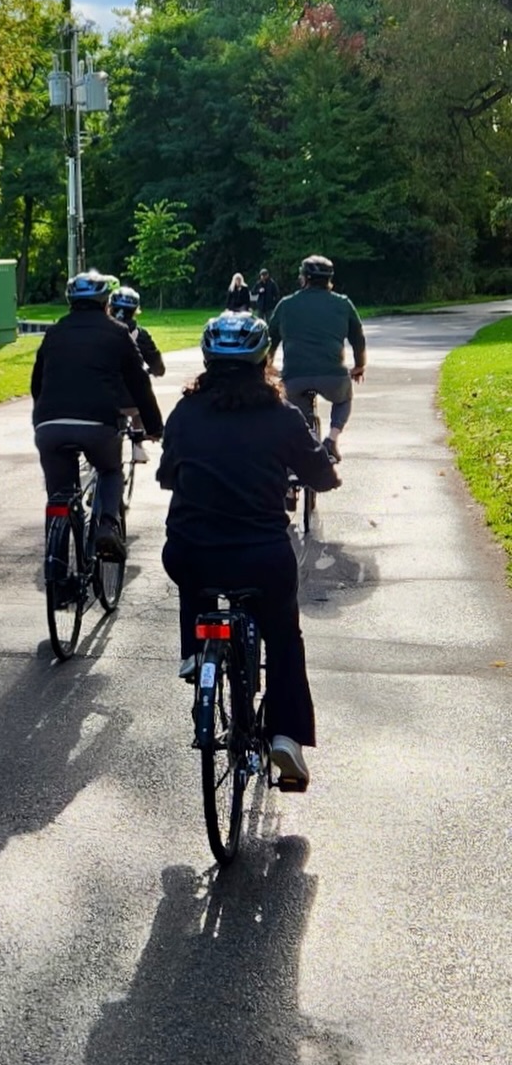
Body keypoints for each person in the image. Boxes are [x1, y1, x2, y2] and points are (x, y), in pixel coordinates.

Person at [159, 310, 338, 789]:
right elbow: (323, 475)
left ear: (207, 360)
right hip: (262, 557)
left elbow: (165, 475)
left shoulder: (185, 412)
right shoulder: (283, 417)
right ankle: (286, 736)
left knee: (193, 562)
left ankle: (197, 654)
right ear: (265, 361)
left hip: (191, 554)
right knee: (283, 637)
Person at [31, 269, 163, 563]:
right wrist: (153, 426)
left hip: (49, 426)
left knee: (58, 497)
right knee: (110, 470)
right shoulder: (117, 333)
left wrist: (42, 419)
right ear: (106, 302)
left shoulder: (54, 333)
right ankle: (106, 525)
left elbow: (36, 382)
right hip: (99, 424)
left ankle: (59, 572)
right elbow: (140, 383)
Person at [267, 254, 366, 460]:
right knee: (344, 398)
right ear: (329, 279)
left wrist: (268, 366)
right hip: (333, 376)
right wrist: (359, 366)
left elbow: (270, 339)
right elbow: (358, 338)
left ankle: (297, 450)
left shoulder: (286, 305)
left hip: (294, 376)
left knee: (292, 411)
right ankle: (331, 439)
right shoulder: (343, 304)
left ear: (304, 278)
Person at [109, 284, 164, 465]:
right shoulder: (141, 335)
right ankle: (138, 446)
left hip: (102, 400)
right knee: (141, 396)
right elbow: (158, 367)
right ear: (135, 311)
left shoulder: (100, 333)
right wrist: (154, 371)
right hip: (131, 403)